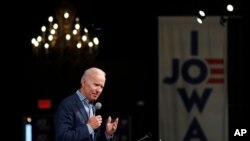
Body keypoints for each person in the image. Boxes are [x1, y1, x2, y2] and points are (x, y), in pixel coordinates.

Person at [54, 67, 119, 141]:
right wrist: (89, 127)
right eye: (96, 85)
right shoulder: (67, 104)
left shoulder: (92, 106)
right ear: (83, 82)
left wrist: (107, 134)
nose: (99, 90)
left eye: (101, 87)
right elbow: (62, 138)